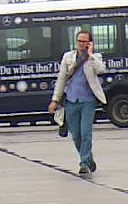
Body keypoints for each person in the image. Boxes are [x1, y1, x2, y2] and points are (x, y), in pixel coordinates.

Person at [49, 29, 106, 176]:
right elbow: (61, 78)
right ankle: (88, 158)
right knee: (76, 135)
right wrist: (55, 100)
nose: (81, 43)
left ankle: (84, 163)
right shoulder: (68, 57)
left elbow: (101, 70)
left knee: (86, 132)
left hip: (88, 101)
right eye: (79, 41)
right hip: (71, 101)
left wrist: (91, 54)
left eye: (84, 41)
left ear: (89, 42)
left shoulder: (95, 57)